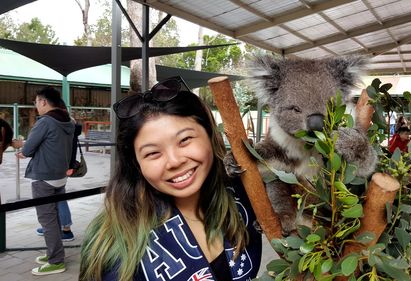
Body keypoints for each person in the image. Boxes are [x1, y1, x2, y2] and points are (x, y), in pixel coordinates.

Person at [79, 76, 262, 281]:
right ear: (136, 164)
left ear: (210, 135)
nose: (174, 161)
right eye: (152, 153)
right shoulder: (112, 243)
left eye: (184, 140)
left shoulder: (245, 195)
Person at [15, 86, 75, 275]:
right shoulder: (69, 121)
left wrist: (22, 151)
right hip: (60, 176)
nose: (36, 106)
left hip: (44, 177)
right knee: (54, 218)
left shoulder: (45, 122)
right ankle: (54, 252)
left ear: (43, 101)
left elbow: (28, 150)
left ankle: (56, 261)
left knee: (47, 220)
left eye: (36, 102)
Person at [35, 98, 78, 242]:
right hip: (63, 166)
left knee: (59, 200)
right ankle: (60, 227)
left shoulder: (62, 122)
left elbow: (70, 146)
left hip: (57, 168)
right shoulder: (68, 121)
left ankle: (64, 229)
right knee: (59, 199)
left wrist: (71, 166)